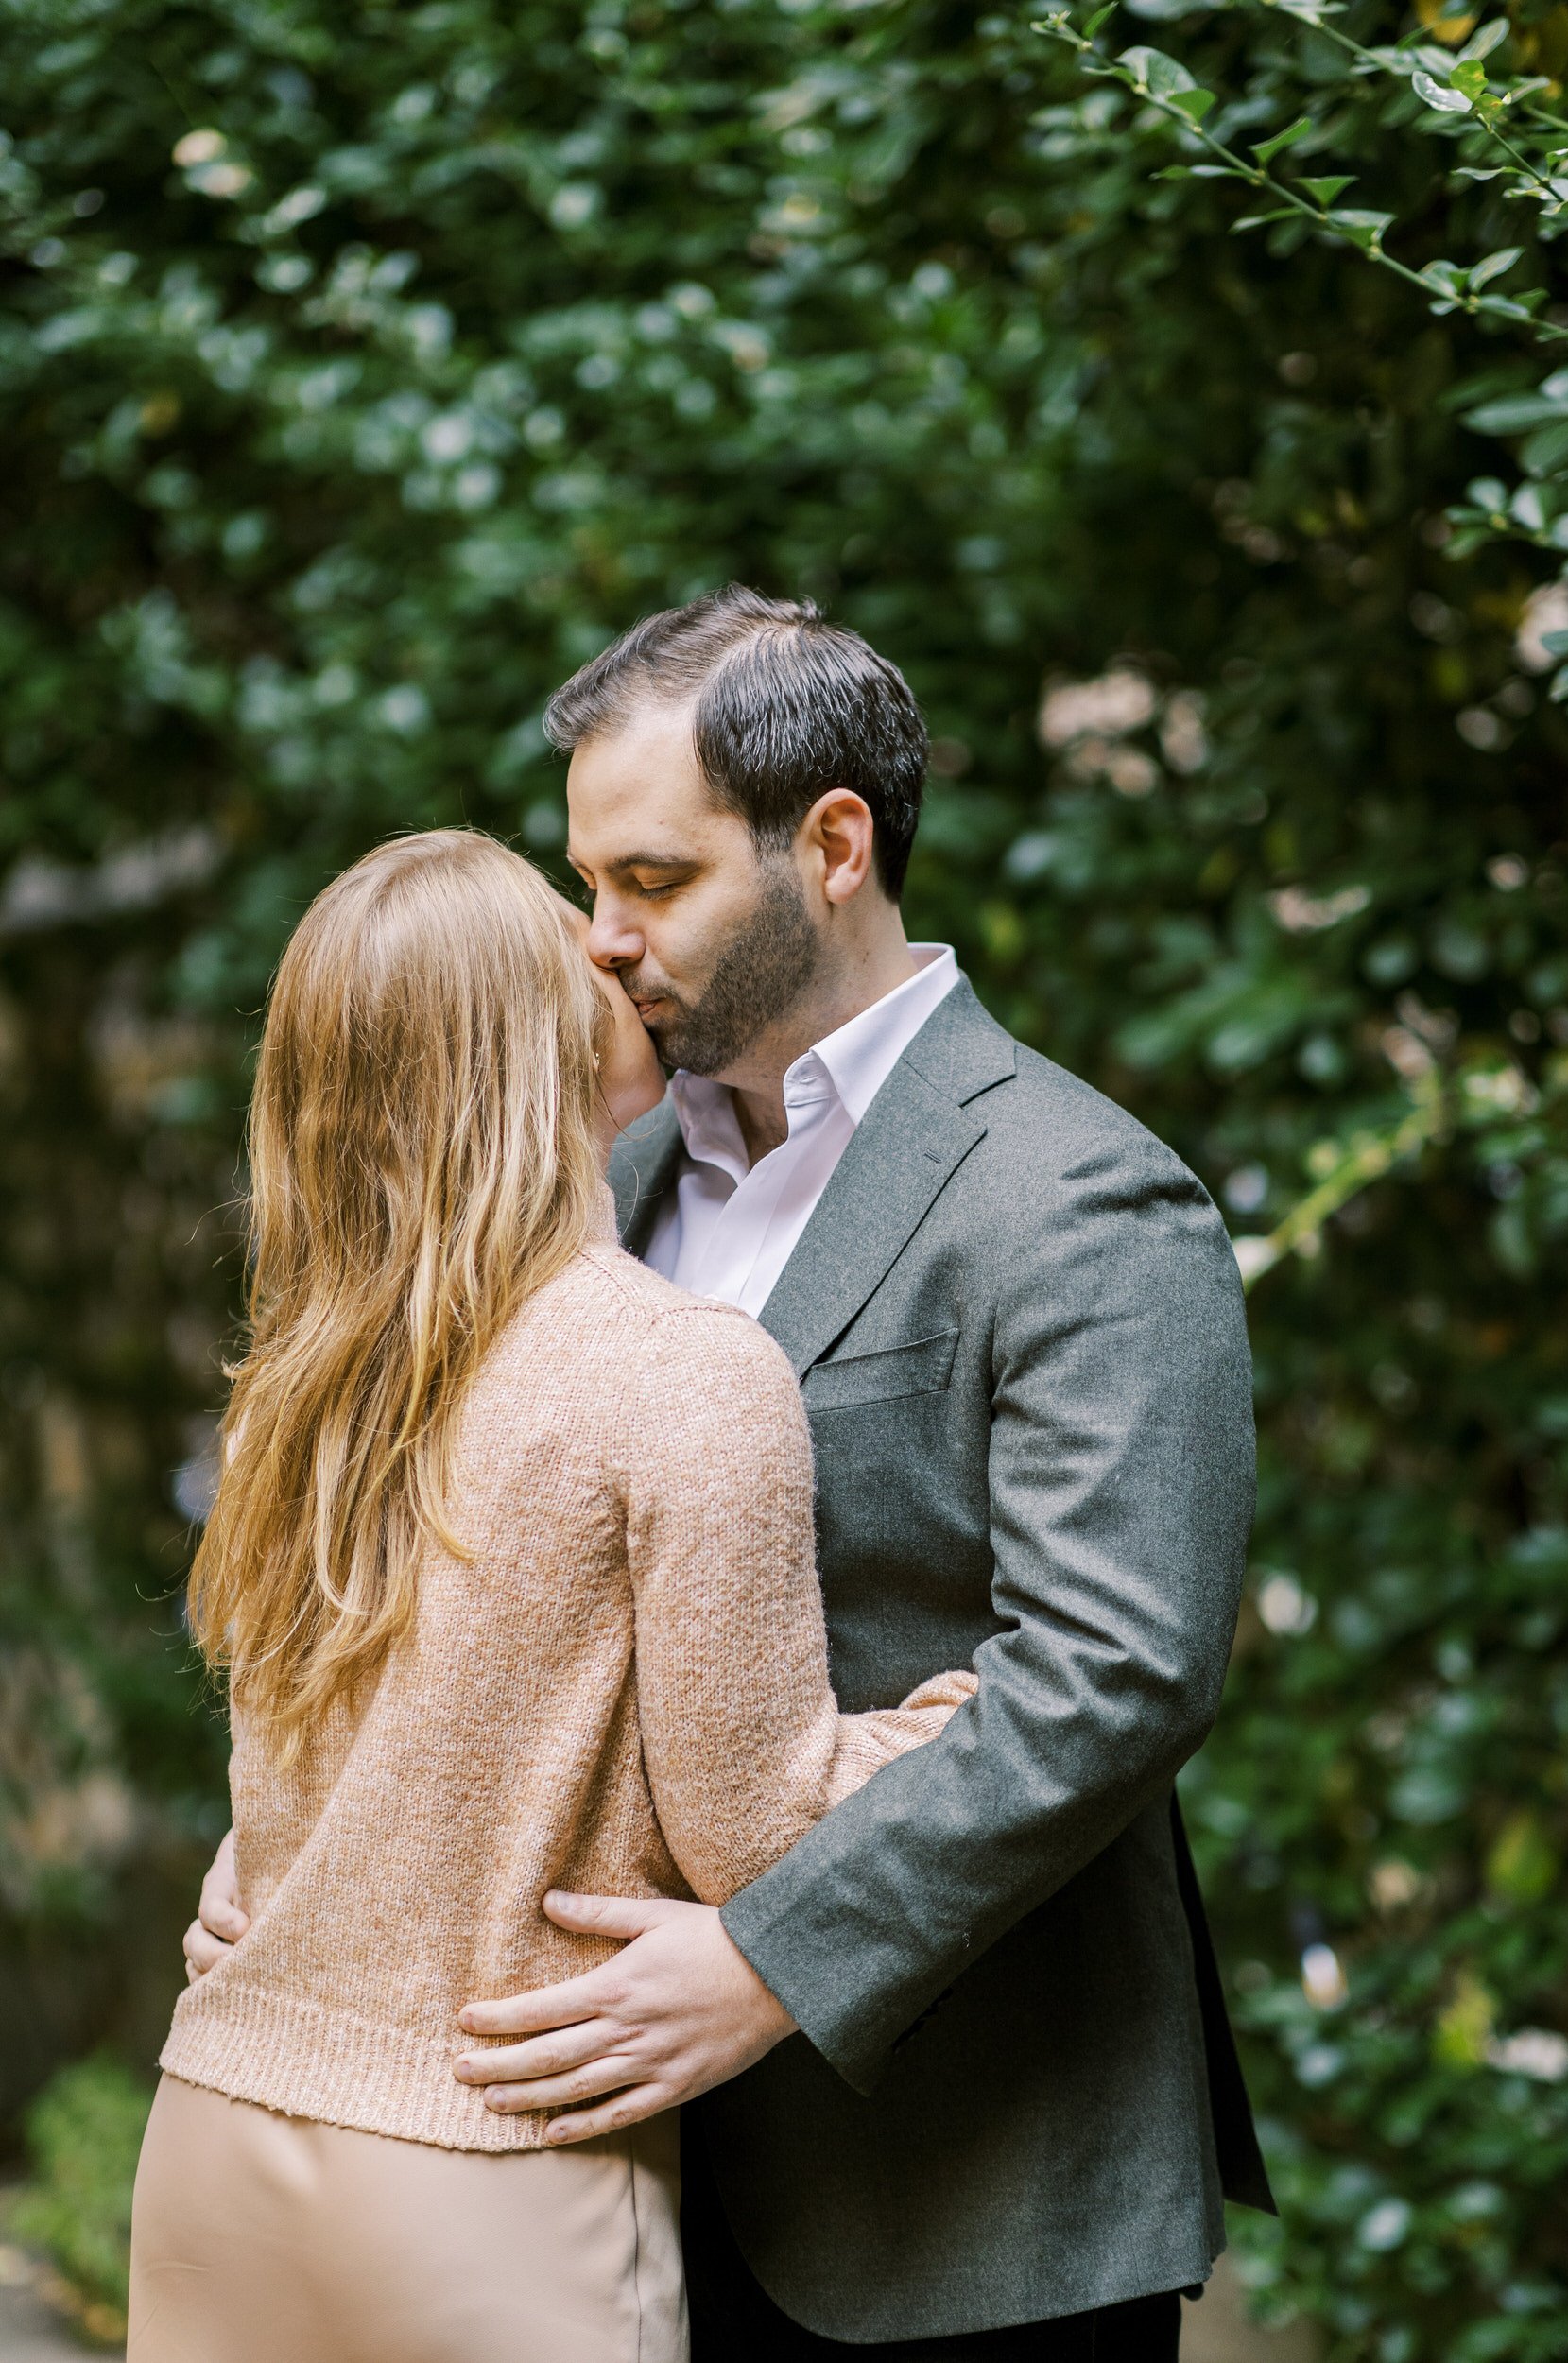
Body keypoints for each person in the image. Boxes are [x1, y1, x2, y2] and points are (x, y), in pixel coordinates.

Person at [188, 588, 1273, 2360]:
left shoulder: (1080, 1199)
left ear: (830, 845)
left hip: (957, 2189)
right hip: (569, 2175)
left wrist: (778, 1955)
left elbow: (1118, 1670)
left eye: (653, 880)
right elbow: (437, 1566)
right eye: (589, 884)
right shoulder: (579, 1182)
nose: (600, 939)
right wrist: (293, 1855)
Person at [134, 829, 973, 2363]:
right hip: (491, 2169)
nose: (612, 953)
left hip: (213, 2139)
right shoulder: (683, 1371)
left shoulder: (297, 1387)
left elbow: (303, 1778)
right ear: (520, 1042)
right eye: (565, 938)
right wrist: (960, 1719)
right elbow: (757, 1832)